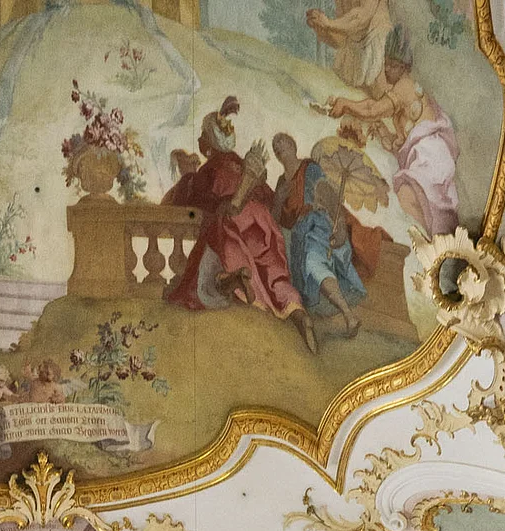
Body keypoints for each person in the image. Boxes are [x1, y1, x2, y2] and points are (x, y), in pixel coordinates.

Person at [164, 120, 317, 351]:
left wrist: (188, 178)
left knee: (206, 279)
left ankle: (231, 279)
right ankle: (297, 312)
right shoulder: (241, 164)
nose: (199, 140)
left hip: (232, 219)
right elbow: (271, 203)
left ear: (209, 143)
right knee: (274, 276)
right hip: (262, 222)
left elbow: (188, 203)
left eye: (202, 135)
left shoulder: (210, 169)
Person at [324, 28, 459, 235]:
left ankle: (425, 243)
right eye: (386, 63)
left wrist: (346, 104)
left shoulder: (404, 86)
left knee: (407, 197)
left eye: (393, 65)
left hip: (431, 157)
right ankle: (428, 241)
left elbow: (372, 109)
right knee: (416, 205)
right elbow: (406, 139)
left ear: (404, 68)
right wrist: (387, 136)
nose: (387, 69)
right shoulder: (405, 89)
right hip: (430, 156)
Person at [272, 132, 381, 337]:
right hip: (297, 238)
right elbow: (275, 219)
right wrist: (278, 199)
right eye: (275, 145)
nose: (278, 145)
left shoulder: (309, 169)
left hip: (318, 227)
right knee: (306, 271)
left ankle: (349, 316)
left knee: (314, 263)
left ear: (293, 144)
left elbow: (329, 196)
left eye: (282, 141)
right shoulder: (280, 182)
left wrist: (339, 226)